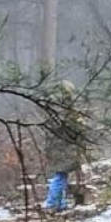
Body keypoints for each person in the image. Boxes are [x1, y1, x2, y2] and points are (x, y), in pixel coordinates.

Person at [42, 80, 85, 211]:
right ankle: (52, 203)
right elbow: (73, 128)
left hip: (58, 148)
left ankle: (60, 203)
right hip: (63, 148)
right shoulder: (65, 110)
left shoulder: (52, 108)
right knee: (60, 176)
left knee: (61, 175)